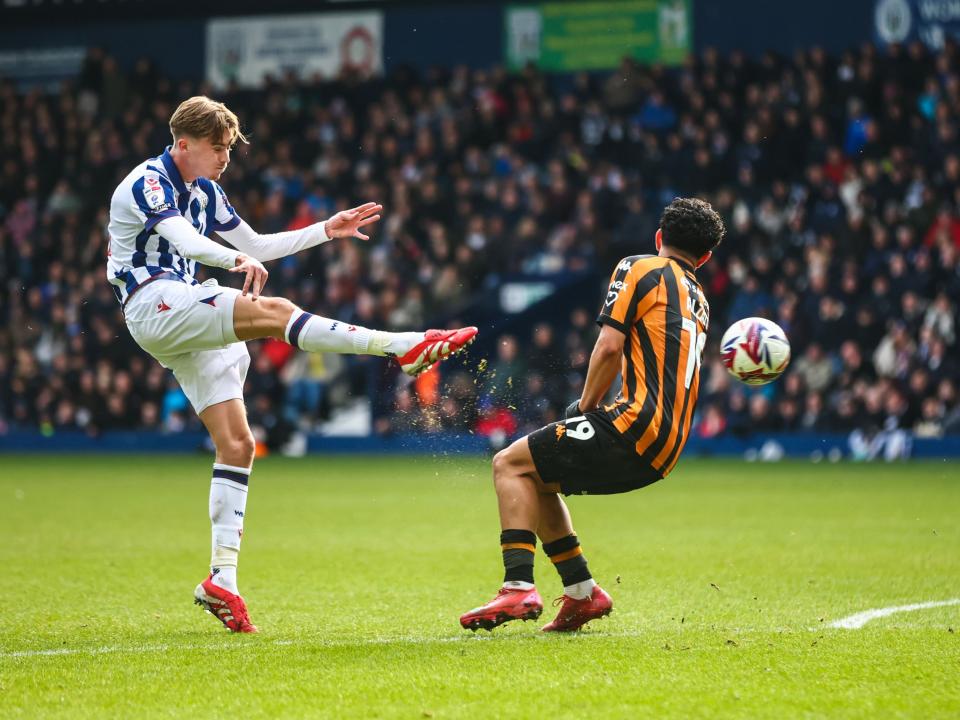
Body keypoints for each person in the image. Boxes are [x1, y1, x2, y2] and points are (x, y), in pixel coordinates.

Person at [107, 96, 477, 633]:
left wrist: (326, 229)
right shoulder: (147, 183)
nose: (225, 158)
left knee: (237, 444)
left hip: (182, 308)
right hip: (153, 303)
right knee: (277, 313)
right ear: (182, 144)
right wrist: (231, 260)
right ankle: (403, 346)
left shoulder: (206, 191)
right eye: (218, 148)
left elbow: (257, 242)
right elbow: (183, 239)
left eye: (229, 148)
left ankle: (221, 580)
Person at [460, 198, 724, 632]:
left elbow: (608, 347)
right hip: (668, 446)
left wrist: (583, 407)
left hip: (633, 423)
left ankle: (518, 586)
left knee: (507, 463)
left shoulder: (640, 268)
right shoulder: (700, 300)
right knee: (535, 475)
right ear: (706, 257)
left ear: (659, 237)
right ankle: (583, 593)